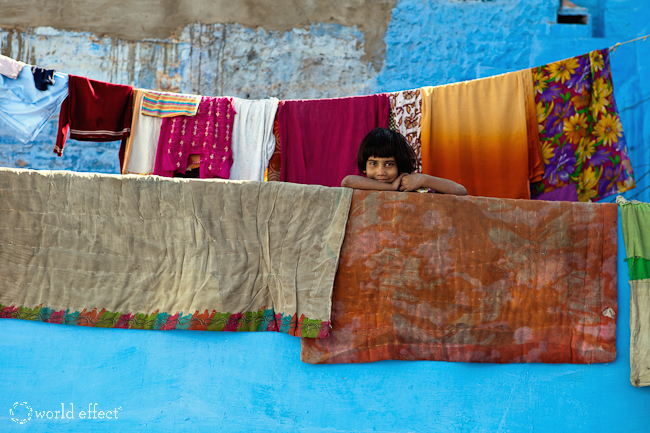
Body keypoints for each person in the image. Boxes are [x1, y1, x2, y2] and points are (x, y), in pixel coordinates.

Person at [341, 128, 468, 195]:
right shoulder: (363, 186)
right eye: (373, 164)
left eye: (389, 164)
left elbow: (461, 191)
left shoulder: (407, 186)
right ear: (364, 167)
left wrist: (423, 180)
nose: (381, 172)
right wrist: (391, 187)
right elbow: (347, 181)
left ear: (399, 165)